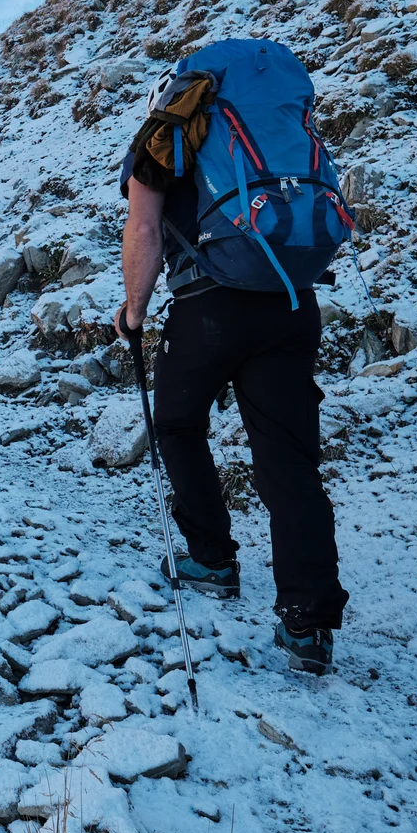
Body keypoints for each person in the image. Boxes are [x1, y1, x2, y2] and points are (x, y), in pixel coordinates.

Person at [112, 38, 350, 675]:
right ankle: (308, 623)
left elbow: (144, 227)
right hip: (292, 302)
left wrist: (133, 315)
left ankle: (212, 558)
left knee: (179, 424)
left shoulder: (166, 133)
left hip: (211, 307)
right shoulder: (278, 130)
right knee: (289, 460)